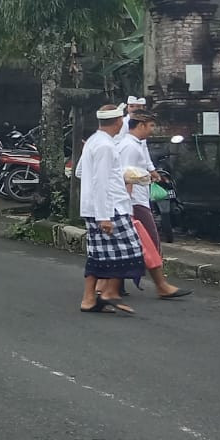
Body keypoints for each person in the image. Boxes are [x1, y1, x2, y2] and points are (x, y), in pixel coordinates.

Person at [75, 103, 144, 315]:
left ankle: (89, 299)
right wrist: (104, 217)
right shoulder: (105, 146)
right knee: (132, 251)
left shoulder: (94, 141)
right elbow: (101, 182)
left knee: (98, 255)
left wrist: (118, 175)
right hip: (110, 208)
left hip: (94, 207)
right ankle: (110, 293)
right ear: (118, 121)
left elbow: (80, 172)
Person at [117, 112, 191, 301]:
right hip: (134, 201)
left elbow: (142, 166)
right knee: (151, 242)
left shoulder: (136, 144)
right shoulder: (129, 146)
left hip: (138, 198)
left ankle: (115, 284)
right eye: (150, 126)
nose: (152, 130)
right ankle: (161, 285)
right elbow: (126, 176)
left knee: (132, 243)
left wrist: (152, 173)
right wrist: (127, 204)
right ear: (140, 125)